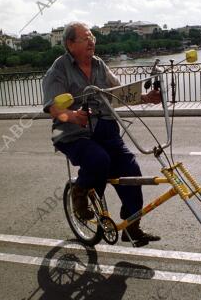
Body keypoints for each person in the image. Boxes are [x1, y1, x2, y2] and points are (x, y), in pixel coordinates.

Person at [42, 21, 161, 245]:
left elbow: (118, 94)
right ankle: (80, 191)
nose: (91, 42)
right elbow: (53, 108)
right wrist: (72, 116)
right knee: (98, 160)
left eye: (93, 38)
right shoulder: (58, 70)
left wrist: (147, 98)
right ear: (70, 44)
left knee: (132, 173)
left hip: (106, 129)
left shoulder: (98, 64)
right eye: (86, 39)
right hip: (73, 133)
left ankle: (131, 227)